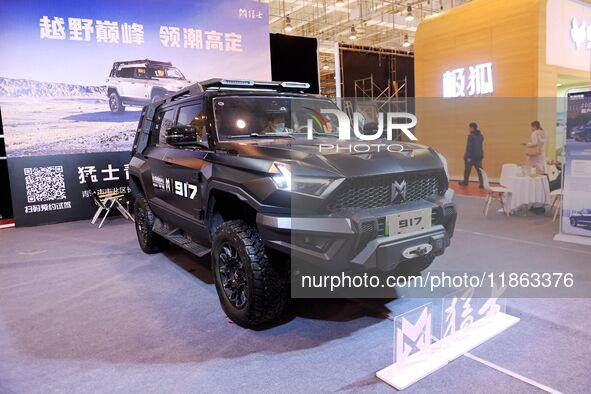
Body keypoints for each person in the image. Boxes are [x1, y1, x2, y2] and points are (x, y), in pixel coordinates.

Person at [458, 122, 484, 188]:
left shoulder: (471, 136)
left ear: (472, 128)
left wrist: (468, 156)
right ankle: (482, 184)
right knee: (480, 171)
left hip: (471, 157)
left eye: (469, 128)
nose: (468, 129)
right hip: (479, 156)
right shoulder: (481, 136)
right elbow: (479, 146)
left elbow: (469, 147)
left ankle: (465, 182)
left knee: (467, 170)